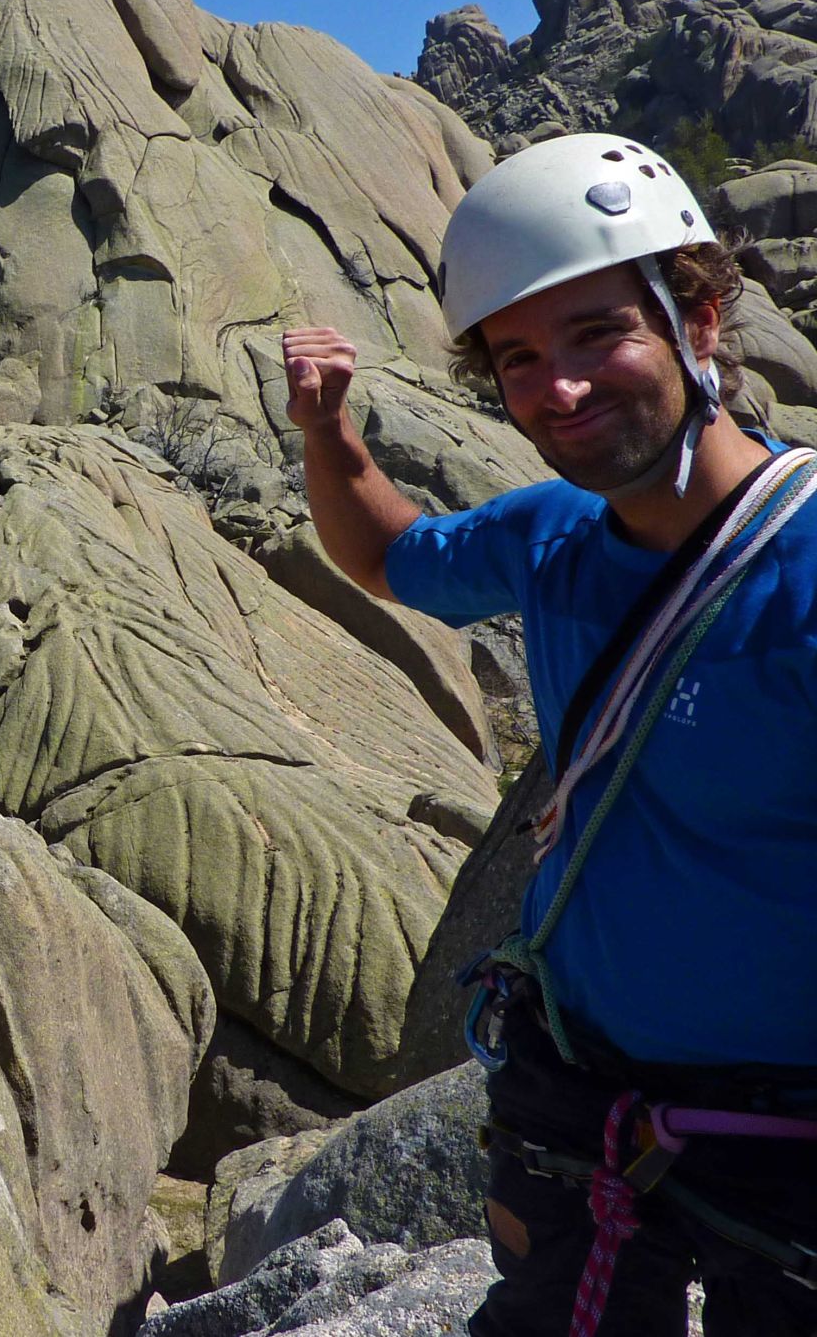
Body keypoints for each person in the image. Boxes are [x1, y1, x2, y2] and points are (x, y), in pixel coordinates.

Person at [280, 132, 817, 1337]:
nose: (559, 389)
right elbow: (386, 555)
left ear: (700, 319)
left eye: (597, 334)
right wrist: (331, 433)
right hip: (575, 1106)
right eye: (519, 358)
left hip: (788, 1145)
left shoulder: (808, 568)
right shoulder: (554, 535)